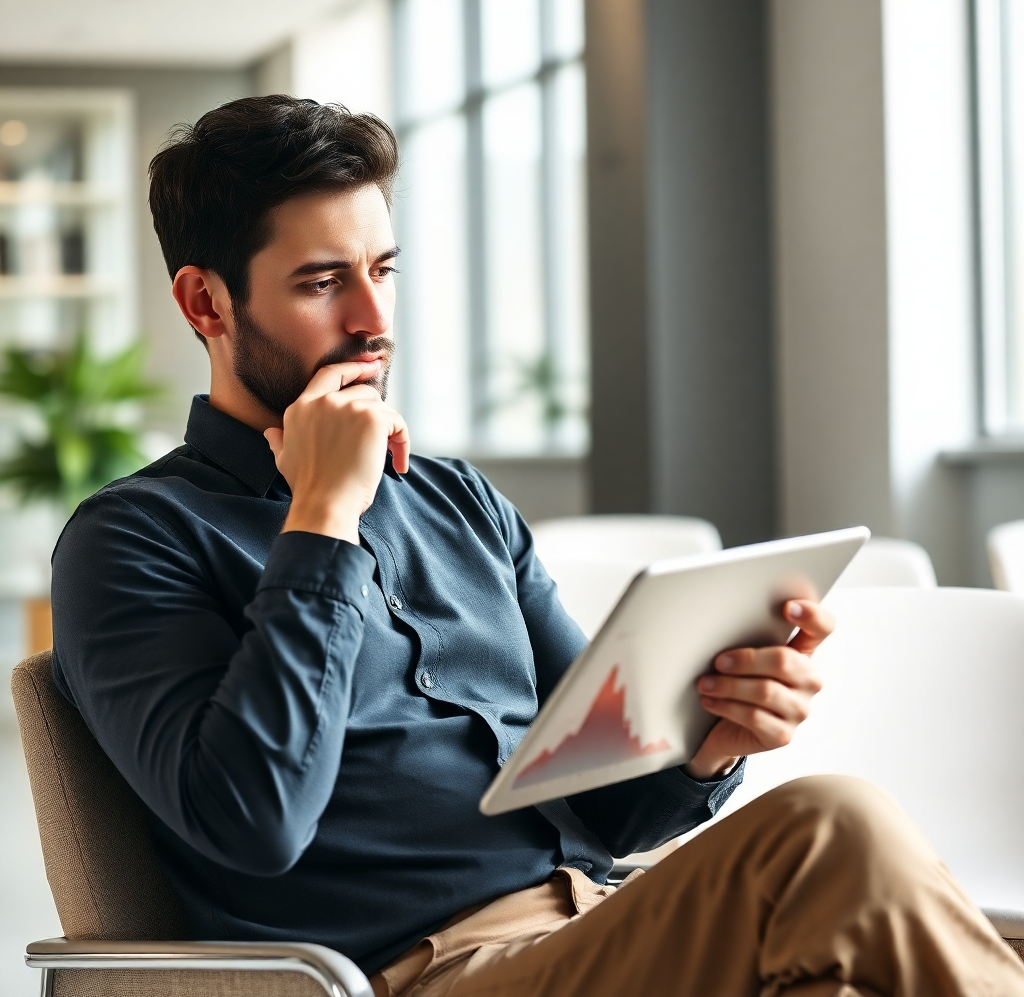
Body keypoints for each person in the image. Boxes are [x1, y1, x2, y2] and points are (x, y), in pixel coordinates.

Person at [50, 96, 1024, 997]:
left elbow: (607, 810)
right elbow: (251, 821)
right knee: (829, 825)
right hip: (418, 973)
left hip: (600, 921)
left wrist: (706, 751)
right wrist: (324, 518)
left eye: (382, 270)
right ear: (206, 304)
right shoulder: (133, 539)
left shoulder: (460, 502)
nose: (373, 320)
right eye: (322, 281)